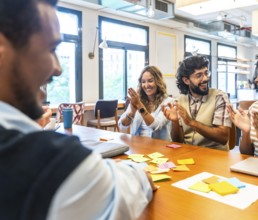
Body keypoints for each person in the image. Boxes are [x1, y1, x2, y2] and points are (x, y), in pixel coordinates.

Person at [0, 0, 156, 219]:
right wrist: (132, 110)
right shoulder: (56, 164)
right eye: (51, 49)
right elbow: (126, 189)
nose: (58, 68)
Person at [162, 55, 232, 150]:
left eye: (206, 73)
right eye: (199, 75)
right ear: (186, 80)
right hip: (188, 154)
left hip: (215, 157)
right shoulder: (180, 101)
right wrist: (175, 122)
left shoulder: (219, 97)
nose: (205, 78)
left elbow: (223, 137)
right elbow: (177, 141)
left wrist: (191, 122)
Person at [119, 66, 173, 141]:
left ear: (158, 82)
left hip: (159, 148)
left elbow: (156, 126)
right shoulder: (137, 100)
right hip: (137, 147)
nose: (146, 85)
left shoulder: (168, 102)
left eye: (150, 81)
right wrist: (132, 113)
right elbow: (122, 126)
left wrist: (139, 105)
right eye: (143, 82)